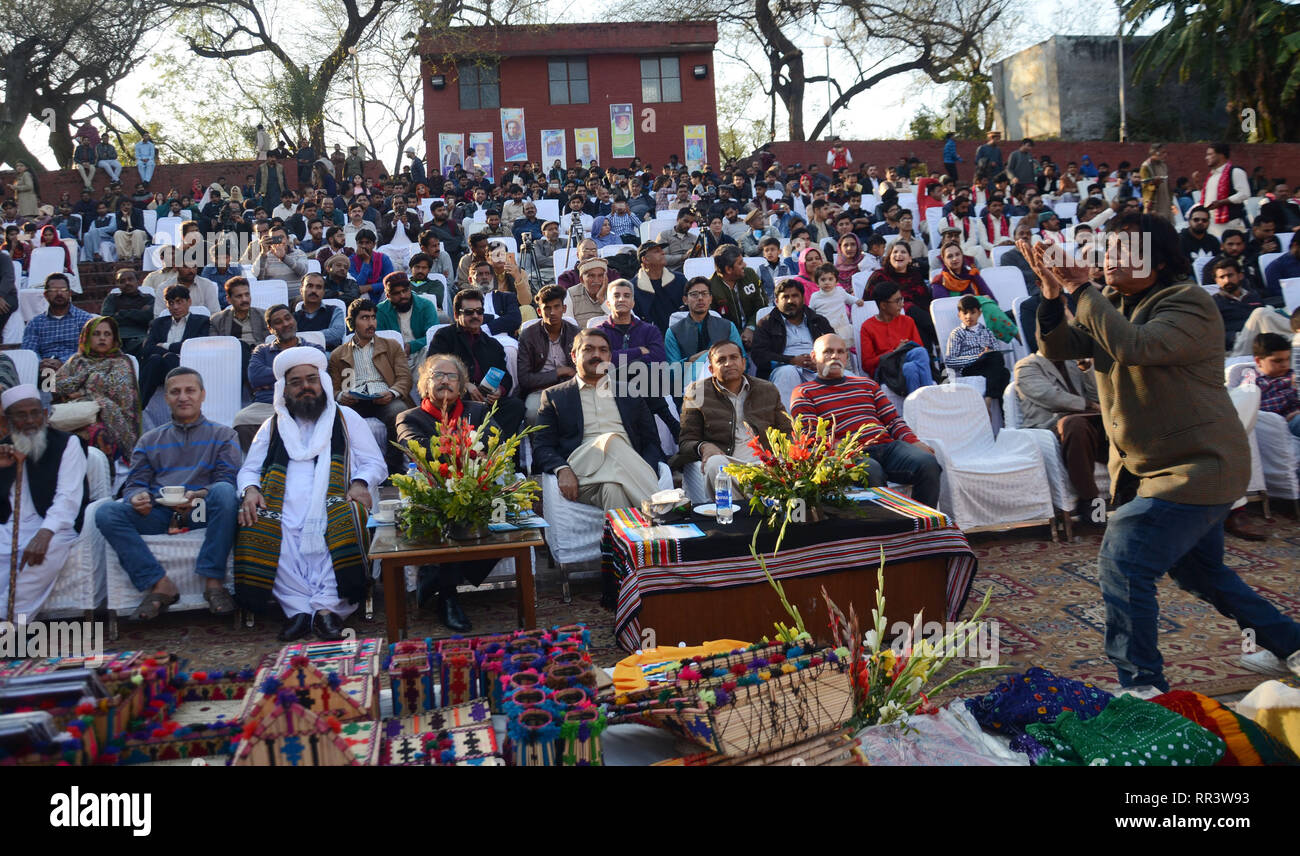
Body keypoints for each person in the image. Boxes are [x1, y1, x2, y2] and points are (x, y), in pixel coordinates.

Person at [1021, 214, 1300, 690]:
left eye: (1121, 250)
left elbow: (1135, 346)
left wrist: (1080, 288)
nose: (1108, 258)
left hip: (1199, 465)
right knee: (1201, 573)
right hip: (1147, 468)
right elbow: (1058, 347)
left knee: (1124, 560)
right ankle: (1291, 644)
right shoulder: (1110, 301)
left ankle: (1142, 685)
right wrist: (1052, 292)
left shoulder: (1188, 303)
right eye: (1106, 249)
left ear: (1160, 259)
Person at [235, 348, 385, 642]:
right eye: (296, 382)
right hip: (283, 505)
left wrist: (359, 482)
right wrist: (251, 490)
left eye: (311, 379)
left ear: (323, 383)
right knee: (260, 520)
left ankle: (330, 609)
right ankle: (298, 610)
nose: (306, 386)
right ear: (285, 390)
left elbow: (375, 463)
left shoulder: (346, 418)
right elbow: (249, 469)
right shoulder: (273, 425)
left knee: (347, 516)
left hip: (337, 499)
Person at [95, 367, 241, 620]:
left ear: (202, 395)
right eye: (175, 392)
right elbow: (134, 483)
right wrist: (136, 497)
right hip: (160, 512)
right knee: (107, 512)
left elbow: (226, 479)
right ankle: (159, 583)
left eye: (190, 391)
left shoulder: (224, 435)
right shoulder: (149, 440)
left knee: (226, 493)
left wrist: (199, 496)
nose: (183, 397)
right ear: (166, 398)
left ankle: (214, 582)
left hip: (202, 510)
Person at [393, 354, 496, 630]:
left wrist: (470, 459)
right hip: (433, 490)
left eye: (452, 376)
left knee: (494, 510)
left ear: (462, 385)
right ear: (424, 385)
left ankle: (433, 578)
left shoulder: (479, 412)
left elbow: (495, 448)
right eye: (437, 375)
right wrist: (471, 451)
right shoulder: (409, 417)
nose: (445, 381)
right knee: (451, 509)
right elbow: (424, 452)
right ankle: (448, 597)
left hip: (476, 487)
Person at [790, 334, 941, 506]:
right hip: (848, 453)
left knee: (927, 463)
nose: (835, 356)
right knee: (871, 470)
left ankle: (923, 524)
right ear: (813, 356)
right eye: (828, 351)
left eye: (840, 352)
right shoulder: (804, 392)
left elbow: (892, 420)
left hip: (887, 447)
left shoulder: (866, 384)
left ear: (846, 357)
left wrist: (913, 441)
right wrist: (841, 447)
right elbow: (809, 435)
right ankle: (888, 528)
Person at [532, 329, 664, 511]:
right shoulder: (556, 396)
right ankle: (660, 511)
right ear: (573, 355)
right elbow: (541, 446)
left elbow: (652, 442)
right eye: (588, 349)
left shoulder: (629, 392)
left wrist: (643, 469)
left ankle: (624, 540)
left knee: (613, 490)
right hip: (582, 471)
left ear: (610, 357)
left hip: (624, 470)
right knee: (612, 441)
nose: (597, 355)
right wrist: (562, 469)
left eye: (603, 350)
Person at [0, 385, 88, 621]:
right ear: (8, 420)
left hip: (57, 526)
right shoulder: (4, 448)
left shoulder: (67, 444)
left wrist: (44, 533)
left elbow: (67, 498)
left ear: (46, 415)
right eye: (21, 415)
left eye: (35, 413)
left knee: (45, 551)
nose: (30, 420)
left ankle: (8, 624)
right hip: (10, 525)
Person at [674, 339, 791, 489]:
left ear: (743, 363)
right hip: (726, 460)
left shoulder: (767, 389)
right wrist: (704, 446)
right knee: (715, 464)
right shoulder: (697, 392)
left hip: (764, 460)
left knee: (786, 465)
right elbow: (686, 441)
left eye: (733, 357)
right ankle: (743, 505)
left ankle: (749, 503)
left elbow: (787, 431)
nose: (728, 363)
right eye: (721, 360)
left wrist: (780, 455)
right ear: (711, 369)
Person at [1013, 351, 1105, 524]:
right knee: (1075, 425)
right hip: (1050, 426)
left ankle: (1132, 496)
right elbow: (1050, 397)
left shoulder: (1073, 362)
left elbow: (1096, 397)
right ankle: (1090, 501)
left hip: (1086, 421)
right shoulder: (1027, 366)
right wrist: (1089, 405)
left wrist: (1087, 370)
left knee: (1122, 422)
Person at [328, 298, 414, 470]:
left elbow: (405, 378)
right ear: (352, 323)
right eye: (364, 318)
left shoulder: (391, 346)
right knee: (334, 418)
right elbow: (333, 387)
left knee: (398, 412)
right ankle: (346, 470)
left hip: (385, 397)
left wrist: (392, 392)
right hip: (354, 400)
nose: (371, 323)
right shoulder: (338, 354)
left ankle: (393, 469)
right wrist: (340, 396)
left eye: (373, 317)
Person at [428, 289, 526, 438]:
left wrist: (499, 390)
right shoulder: (444, 337)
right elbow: (433, 368)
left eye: (479, 312)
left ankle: (497, 451)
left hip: (486, 401)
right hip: (455, 399)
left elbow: (506, 377)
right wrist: (464, 384)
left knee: (515, 406)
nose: (475, 316)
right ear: (456, 315)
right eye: (469, 312)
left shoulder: (492, 344)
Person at [233, 305, 325, 450]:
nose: (285, 324)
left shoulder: (313, 348)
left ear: (294, 320)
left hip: (303, 401)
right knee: (242, 420)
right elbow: (255, 377)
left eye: (288, 318)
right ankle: (263, 461)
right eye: (278, 322)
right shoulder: (262, 351)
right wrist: (295, 374)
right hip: (267, 405)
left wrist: (274, 378)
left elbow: (319, 373)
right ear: (270, 328)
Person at [52, 316, 140, 467]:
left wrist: (79, 392)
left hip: (107, 417)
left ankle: (105, 479)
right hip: (73, 414)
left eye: (107, 334)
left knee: (96, 434)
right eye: (96, 334)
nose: (102, 338)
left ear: (114, 338)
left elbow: (118, 391)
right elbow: (52, 387)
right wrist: (85, 381)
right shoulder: (76, 361)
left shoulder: (121, 362)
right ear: (86, 337)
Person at [751, 278, 836, 406]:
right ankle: (789, 424)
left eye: (795, 296)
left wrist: (821, 362)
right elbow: (759, 356)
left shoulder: (818, 321)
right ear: (776, 301)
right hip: (784, 369)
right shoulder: (766, 324)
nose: (790, 301)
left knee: (845, 375)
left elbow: (835, 346)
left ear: (803, 299)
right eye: (785, 297)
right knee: (788, 373)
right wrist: (791, 360)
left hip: (818, 367)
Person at [931, 243, 1019, 343]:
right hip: (956, 319)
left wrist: (976, 299)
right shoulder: (939, 281)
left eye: (957, 254)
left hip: (981, 317)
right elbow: (944, 308)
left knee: (986, 304)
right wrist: (970, 300)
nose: (955, 258)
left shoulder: (972, 274)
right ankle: (1017, 336)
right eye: (950, 256)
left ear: (962, 256)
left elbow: (992, 299)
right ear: (944, 261)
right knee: (982, 302)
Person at [665, 277, 745, 386]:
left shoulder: (728, 327)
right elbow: (672, 372)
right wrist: (691, 359)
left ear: (711, 299)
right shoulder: (674, 332)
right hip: (690, 388)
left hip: (726, 383)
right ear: (685, 300)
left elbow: (742, 360)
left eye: (704, 293)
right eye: (694, 294)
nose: (700, 298)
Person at [857, 281, 934, 394]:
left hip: (906, 365)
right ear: (883, 305)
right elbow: (867, 364)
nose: (902, 304)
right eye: (897, 301)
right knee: (918, 354)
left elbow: (920, 352)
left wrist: (903, 350)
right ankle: (931, 399)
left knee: (911, 367)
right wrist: (894, 351)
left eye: (901, 299)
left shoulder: (907, 321)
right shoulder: (868, 327)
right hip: (886, 370)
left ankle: (916, 407)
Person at [517, 285, 578, 423]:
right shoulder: (528, 336)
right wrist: (559, 372)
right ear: (539, 311)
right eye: (547, 308)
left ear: (564, 309)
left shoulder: (575, 333)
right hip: (539, 390)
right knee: (533, 413)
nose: (553, 312)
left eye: (557, 307)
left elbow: (581, 369)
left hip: (571, 387)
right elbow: (525, 379)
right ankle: (538, 445)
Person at [23, 274, 95, 374]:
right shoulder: (35, 323)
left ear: (70, 293)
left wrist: (62, 362)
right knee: (46, 378)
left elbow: (89, 350)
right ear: (46, 295)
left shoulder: (85, 320)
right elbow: (29, 352)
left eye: (63, 289)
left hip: (75, 370)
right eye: (53, 290)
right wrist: (42, 363)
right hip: (45, 371)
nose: (59, 293)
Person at [945, 295, 1011, 402]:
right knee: (1002, 371)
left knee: (1003, 371)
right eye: (965, 313)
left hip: (988, 365)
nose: (968, 316)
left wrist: (988, 353)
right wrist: (975, 357)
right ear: (959, 315)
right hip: (970, 368)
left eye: (972, 312)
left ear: (979, 313)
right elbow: (950, 361)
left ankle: (992, 403)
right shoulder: (957, 334)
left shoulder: (987, 332)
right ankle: (992, 403)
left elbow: (996, 352)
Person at [375, 271, 439, 369]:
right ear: (388, 296)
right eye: (396, 293)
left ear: (410, 289)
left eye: (405, 291)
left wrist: (411, 346)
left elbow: (433, 336)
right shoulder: (380, 310)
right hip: (392, 356)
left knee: (429, 350)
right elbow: (378, 338)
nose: (402, 296)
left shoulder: (426, 305)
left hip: (420, 353)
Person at [707, 245, 766, 346]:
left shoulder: (750, 274)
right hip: (727, 337)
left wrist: (750, 328)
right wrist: (738, 335)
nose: (745, 265)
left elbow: (762, 305)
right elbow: (715, 321)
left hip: (757, 328)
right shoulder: (710, 287)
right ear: (728, 269)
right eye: (740, 263)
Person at [1252, 332, 1300, 440]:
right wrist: (1292, 391)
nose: (1285, 365)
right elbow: (1259, 411)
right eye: (1277, 361)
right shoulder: (1255, 382)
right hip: (1284, 424)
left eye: (1288, 359)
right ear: (1258, 361)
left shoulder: (1291, 374)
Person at [1201, 143, 1251, 239]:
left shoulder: (1235, 172)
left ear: (1221, 155)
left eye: (1210, 154)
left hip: (1230, 223)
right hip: (1212, 224)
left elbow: (1244, 194)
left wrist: (1222, 202)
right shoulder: (1211, 176)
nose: (1206, 158)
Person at [99, 268, 153, 358]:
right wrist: (138, 313)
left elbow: (149, 317)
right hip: (117, 337)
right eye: (122, 281)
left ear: (138, 281)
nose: (127, 283)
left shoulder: (148, 298)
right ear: (118, 284)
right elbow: (106, 319)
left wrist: (120, 313)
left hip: (139, 337)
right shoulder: (112, 299)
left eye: (130, 279)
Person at [251, 224, 309, 300]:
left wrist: (284, 257)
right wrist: (263, 253)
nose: (279, 241)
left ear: (288, 239)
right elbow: (257, 275)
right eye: (274, 238)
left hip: (296, 298)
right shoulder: (265, 256)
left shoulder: (299, 253)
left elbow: (303, 271)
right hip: (274, 298)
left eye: (281, 237)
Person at [809, 262, 862, 344]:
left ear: (836, 281)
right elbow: (811, 311)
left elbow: (849, 298)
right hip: (825, 330)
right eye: (823, 280)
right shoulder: (815, 297)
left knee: (844, 350)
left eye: (830, 279)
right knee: (829, 348)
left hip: (842, 327)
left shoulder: (840, 291)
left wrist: (857, 301)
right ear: (817, 283)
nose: (827, 282)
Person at [294, 273, 346, 349]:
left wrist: (301, 337)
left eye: (318, 287)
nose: (314, 290)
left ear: (324, 292)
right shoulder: (293, 317)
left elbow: (336, 334)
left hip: (329, 358)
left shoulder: (335, 311)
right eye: (310, 286)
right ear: (301, 290)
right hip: (301, 357)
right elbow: (289, 339)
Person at [566, 257, 610, 329]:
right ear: (581, 280)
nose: (596, 280)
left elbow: (623, 320)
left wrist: (602, 300)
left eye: (600, 276)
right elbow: (568, 327)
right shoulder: (571, 294)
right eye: (591, 276)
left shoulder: (613, 293)